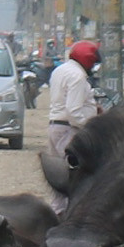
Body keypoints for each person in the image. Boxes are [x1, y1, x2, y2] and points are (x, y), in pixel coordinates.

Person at [43, 36, 105, 204]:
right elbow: (73, 111)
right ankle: (69, 211)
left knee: (59, 176)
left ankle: (58, 212)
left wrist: (93, 109)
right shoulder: (78, 76)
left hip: (55, 126)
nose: (92, 67)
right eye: (92, 63)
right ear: (87, 60)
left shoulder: (61, 70)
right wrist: (91, 124)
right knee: (74, 175)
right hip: (69, 130)